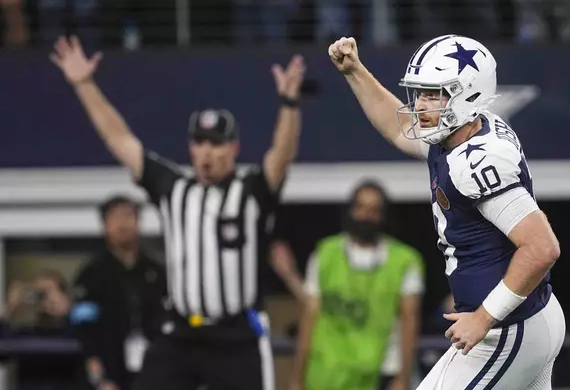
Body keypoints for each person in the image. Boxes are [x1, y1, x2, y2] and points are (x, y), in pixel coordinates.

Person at [50, 35, 305, 390]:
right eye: (199, 143)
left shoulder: (251, 191)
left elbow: (282, 155)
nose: (207, 152)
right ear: (190, 147)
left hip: (234, 337)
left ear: (233, 149)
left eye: (216, 144)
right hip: (182, 333)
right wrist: (84, 84)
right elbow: (120, 139)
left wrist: (289, 103)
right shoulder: (174, 188)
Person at [327, 34, 565, 389]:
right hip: (529, 317)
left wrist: (484, 318)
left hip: (509, 329)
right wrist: (355, 72)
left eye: (433, 94)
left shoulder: (476, 161)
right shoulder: (458, 133)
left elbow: (543, 248)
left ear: (469, 94)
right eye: (420, 92)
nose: (421, 105)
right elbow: (397, 127)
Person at [273, 180, 425, 390]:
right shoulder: (325, 253)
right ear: (351, 210)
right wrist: (296, 378)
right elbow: (309, 316)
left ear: (383, 215)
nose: (365, 216)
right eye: (360, 207)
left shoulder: (405, 260)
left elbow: (410, 321)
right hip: (329, 372)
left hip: (381, 370)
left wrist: (403, 377)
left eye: (373, 210)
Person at [71, 195, 167, 390]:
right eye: (115, 218)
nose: (123, 224)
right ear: (105, 225)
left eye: (128, 216)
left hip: (152, 370)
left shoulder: (156, 272)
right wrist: (100, 379)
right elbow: (85, 331)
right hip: (109, 369)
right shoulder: (91, 275)